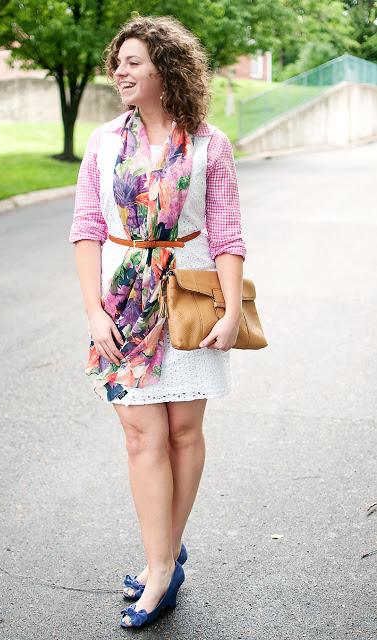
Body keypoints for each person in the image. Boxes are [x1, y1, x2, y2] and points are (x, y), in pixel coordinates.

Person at [69, 15, 246, 629]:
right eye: (117, 60)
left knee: (182, 434)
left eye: (133, 60)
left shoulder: (209, 143)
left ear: (165, 69)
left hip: (189, 298)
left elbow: (227, 234)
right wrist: (93, 310)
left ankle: (161, 563)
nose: (119, 69)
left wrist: (227, 311)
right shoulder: (101, 143)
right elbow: (87, 230)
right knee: (143, 435)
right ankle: (164, 561)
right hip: (122, 300)